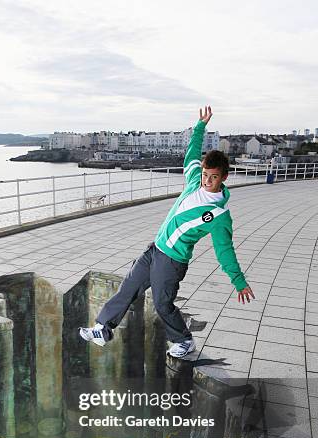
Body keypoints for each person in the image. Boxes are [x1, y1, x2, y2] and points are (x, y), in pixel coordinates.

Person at [79, 106, 255, 358]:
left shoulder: (219, 216)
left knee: (162, 303)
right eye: (206, 175)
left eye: (213, 177)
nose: (207, 181)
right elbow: (192, 154)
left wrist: (238, 281)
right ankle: (102, 329)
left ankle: (184, 340)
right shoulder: (194, 180)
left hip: (172, 261)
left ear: (224, 177)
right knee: (128, 287)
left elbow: (225, 251)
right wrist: (199, 127)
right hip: (155, 249)